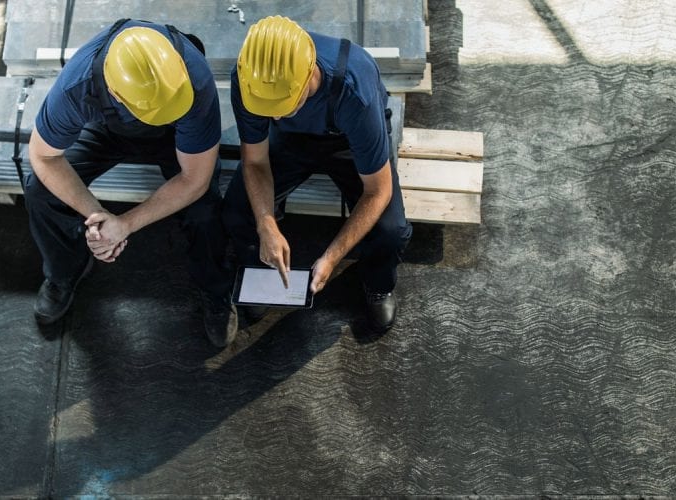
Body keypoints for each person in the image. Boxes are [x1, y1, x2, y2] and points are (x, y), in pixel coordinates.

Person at [25, 19, 237, 346]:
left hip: (174, 134)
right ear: (114, 91)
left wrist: (125, 224)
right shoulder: (77, 87)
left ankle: (215, 289)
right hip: (107, 131)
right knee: (39, 192)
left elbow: (195, 178)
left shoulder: (193, 80)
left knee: (204, 208)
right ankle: (63, 272)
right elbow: (43, 156)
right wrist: (98, 217)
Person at [223, 16, 412, 332]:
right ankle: (262, 274)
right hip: (290, 139)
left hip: (346, 140)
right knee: (237, 211)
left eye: (284, 103)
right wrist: (265, 223)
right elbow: (255, 162)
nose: (276, 113)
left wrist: (332, 257)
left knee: (390, 230)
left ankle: (378, 285)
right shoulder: (249, 80)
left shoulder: (354, 89)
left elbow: (377, 191)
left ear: (310, 73)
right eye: (267, 109)